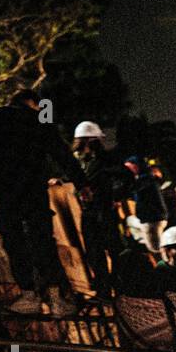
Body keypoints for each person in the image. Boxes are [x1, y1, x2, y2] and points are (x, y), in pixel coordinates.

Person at [0, 90, 85, 317]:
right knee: (43, 241)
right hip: (34, 191)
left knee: (14, 240)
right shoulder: (40, 121)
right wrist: (82, 182)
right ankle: (56, 298)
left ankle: (28, 295)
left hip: (5, 190)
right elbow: (62, 154)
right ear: (34, 104)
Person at [72, 121, 128, 299]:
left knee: (114, 250)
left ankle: (121, 289)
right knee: (95, 253)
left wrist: (116, 197)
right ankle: (104, 291)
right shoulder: (81, 160)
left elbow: (127, 178)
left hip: (105, 210)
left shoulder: (107, 159)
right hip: (89, 212)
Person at [124, 157, 167, 254]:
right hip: (150, 219)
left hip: (152, 220)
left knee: (155, 249)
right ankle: (143, 239)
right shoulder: (146, 178)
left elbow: (132, 189)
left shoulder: (145, 179)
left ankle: (168, 262)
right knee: (130, 220)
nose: (130, 170)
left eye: (131, 167)